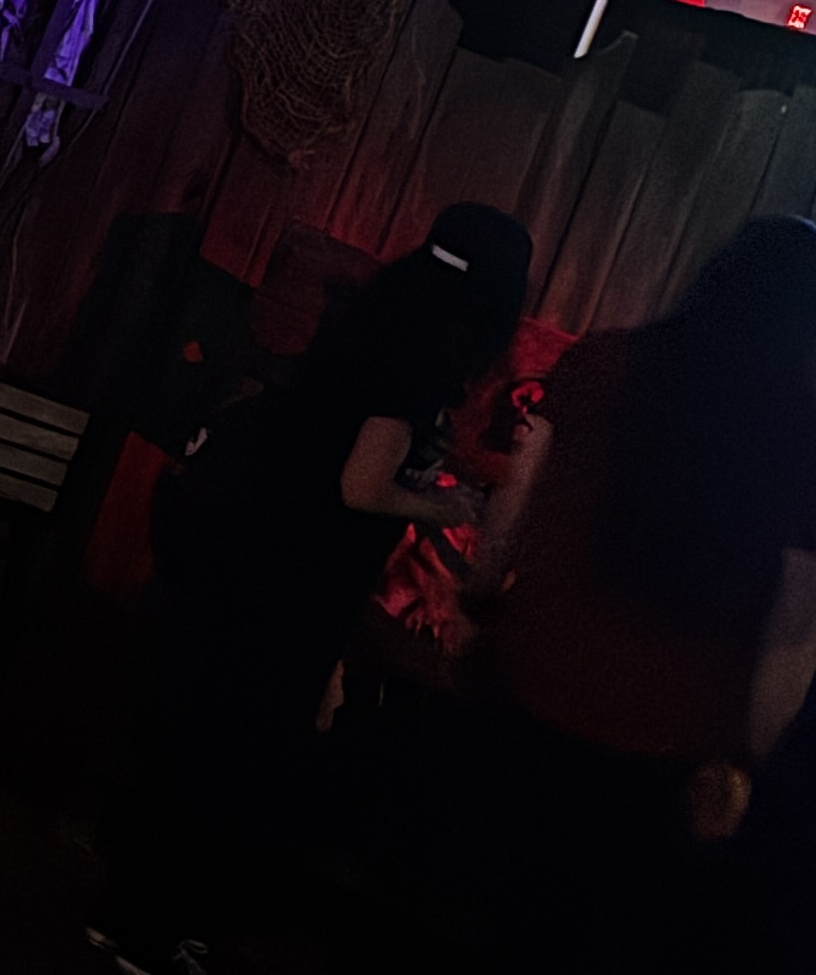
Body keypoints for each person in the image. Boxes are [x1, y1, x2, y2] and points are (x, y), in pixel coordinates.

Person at [91, 201, 532, 975]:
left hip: (252, 544)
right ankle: (152, 933)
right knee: (236, 750)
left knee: (196, 733)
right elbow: (361, 484)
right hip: (291, 571)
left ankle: (137, 914)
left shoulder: (380, 314)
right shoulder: (426, 353)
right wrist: (449, 506)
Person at [470, 214, 816, 964]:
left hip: (538, 680)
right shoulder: (815, 451)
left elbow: (516, 497)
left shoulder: (605, 364)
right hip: (668, 741)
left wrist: (482, 599)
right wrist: (743, 758)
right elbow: (796, 635)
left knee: (499, 917)